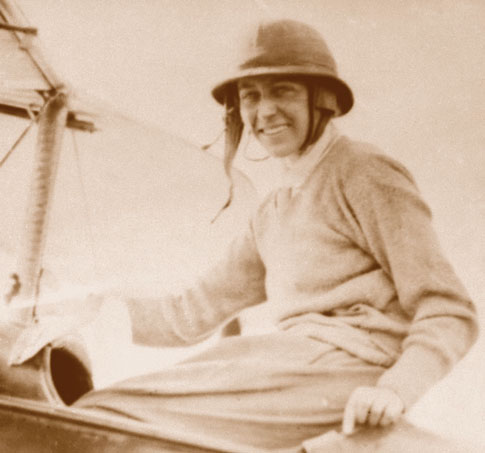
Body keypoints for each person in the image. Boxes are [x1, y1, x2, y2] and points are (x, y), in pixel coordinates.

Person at [72, 19, 478, 452]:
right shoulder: (273, 212)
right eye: (251, 96)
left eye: (282, 91)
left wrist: (395, 390)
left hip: (348, 368)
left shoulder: (363, 171)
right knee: (98, 409)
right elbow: (190, 314)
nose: (264, 111)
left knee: (109, 418)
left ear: (322, 100)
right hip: (290, 366)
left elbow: (449, 310)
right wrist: (83, 308)